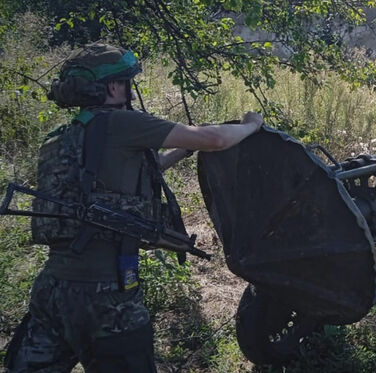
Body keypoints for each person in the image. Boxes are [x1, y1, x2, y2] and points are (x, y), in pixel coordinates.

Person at [3, 42, 264, 372]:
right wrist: (251, 125)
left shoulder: (62, 136)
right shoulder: (122, 123)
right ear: (113, 86)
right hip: (106, 293)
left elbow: (118, 181)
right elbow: (215, 139)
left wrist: (182, 151)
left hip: (52, 290)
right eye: (126, 82)